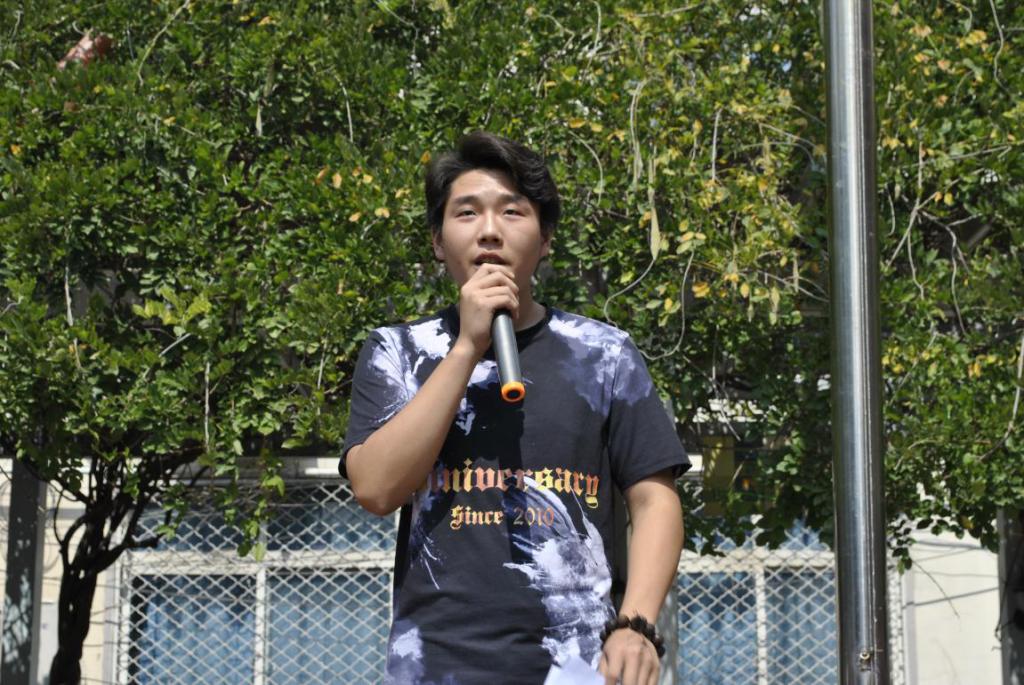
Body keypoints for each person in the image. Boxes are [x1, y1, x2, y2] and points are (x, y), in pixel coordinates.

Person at [340, 132, 690, 685]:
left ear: (545, 239)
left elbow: (654, 500)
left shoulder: (603, 354)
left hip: (576, 667)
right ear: (437, 242)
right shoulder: (399, 352)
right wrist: (466, 348)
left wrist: (636, 624)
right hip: (436, 667)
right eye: (466, 213)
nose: (489, 230)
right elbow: (376, 489)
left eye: (512, 211)